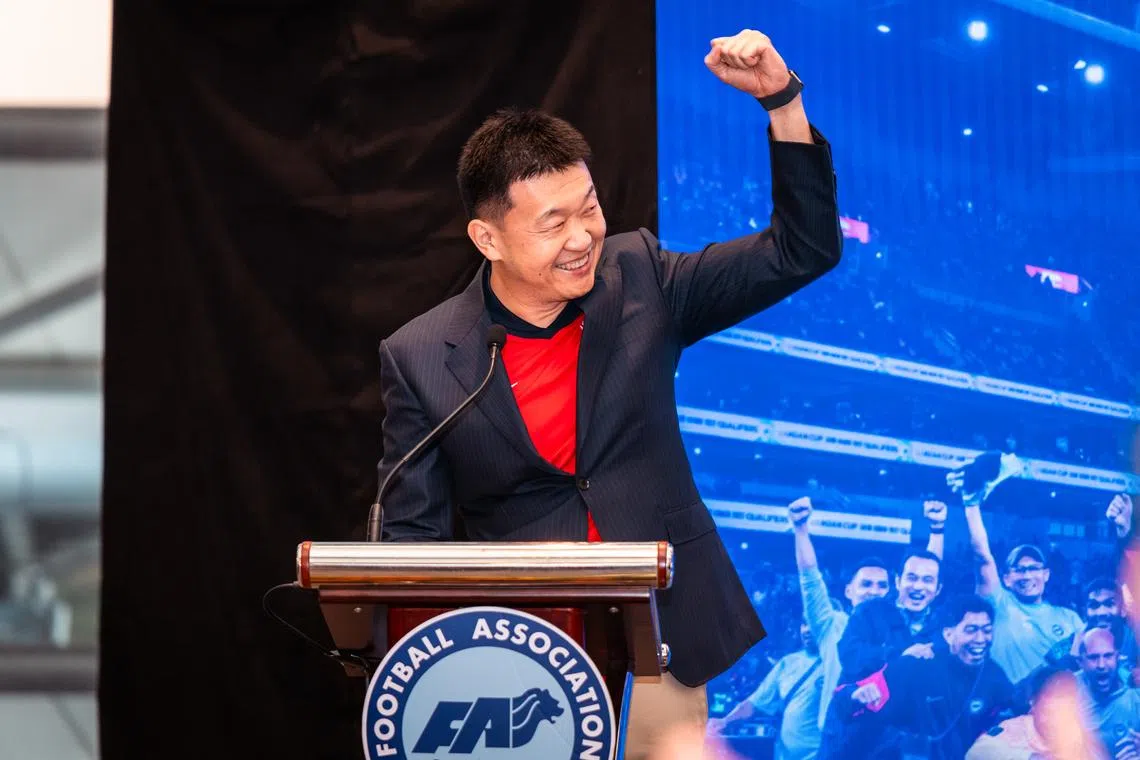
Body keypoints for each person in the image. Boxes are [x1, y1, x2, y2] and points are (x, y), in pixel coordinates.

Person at [374, 27, 842, 758]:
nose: (582, 236)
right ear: (488, 239)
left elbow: (800, 250)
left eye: (587, 207)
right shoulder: (422, 357)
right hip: (520, 658)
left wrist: (782, 102)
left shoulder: (643, 278)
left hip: (663, 636)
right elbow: (413, 547)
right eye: (552, 222)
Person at [789, 496, 945, 733]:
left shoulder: (896, 623)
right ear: (848, 590)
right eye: (866, 584)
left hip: (885, 738)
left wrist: (936, 530)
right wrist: (800, 530)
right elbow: (810, 580)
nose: (874, 592)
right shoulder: (832, 624)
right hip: (837, 733)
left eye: (882, 586)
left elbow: (925, 571)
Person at [952, 451, 1083, 685]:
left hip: (1051, 713)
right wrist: (971, 505)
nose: (1027, 575)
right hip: (1000, 709)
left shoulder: (1070, 619)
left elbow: (1088, 665)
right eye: (1019, 569)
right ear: (1007, 578)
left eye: (1034, 568)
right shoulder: (998, 603)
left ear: (1046, 574)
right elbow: (982, 556)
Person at [837, 594, 1018, 760]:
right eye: (971, 630)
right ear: (948, 634)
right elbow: (844, 697)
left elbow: (1008, 720)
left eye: (987, 630)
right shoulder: (918, 665)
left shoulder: (994, 676)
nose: (980, 639)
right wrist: (855, 695)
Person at [709, 619, 825, 760]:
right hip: (785, 755)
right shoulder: (787, 663)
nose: (807, 630)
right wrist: (725, 721)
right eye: (804, 623)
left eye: (813, 622)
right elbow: (755, 702)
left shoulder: (840, 664)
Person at [1075, 627, 1140, 759]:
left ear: (1118, 657)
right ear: (1081, 662)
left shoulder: (1135, 697)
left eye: (1108, 656)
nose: (1101, 665)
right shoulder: (1066, 690)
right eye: (1093, 657)